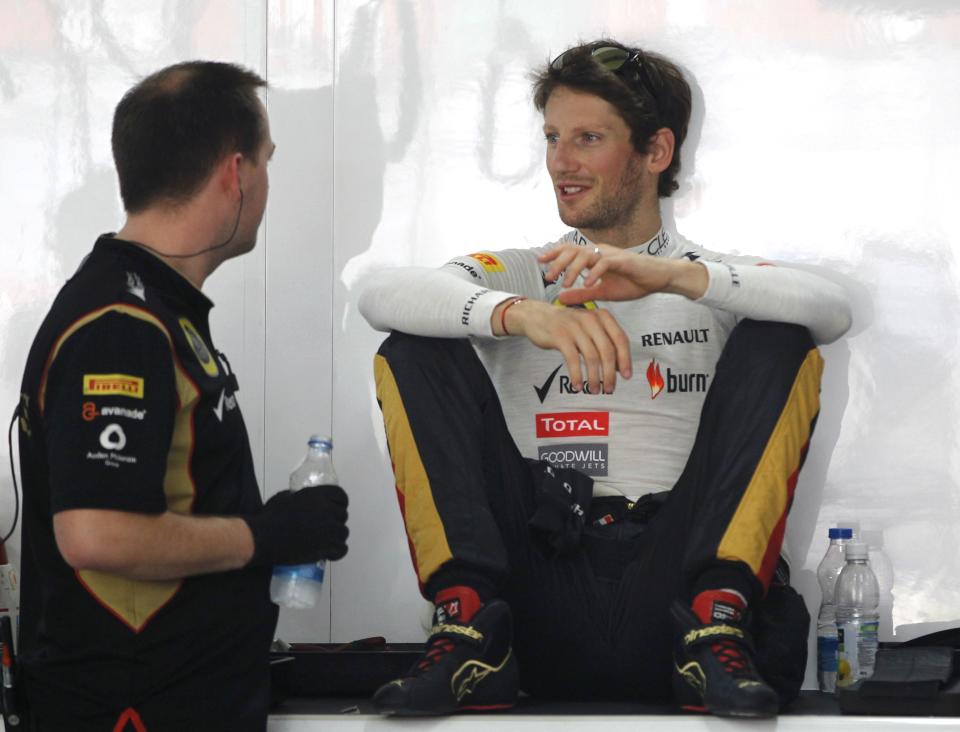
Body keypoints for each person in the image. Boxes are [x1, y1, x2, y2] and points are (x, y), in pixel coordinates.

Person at [358, 39, 852, 719]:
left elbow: (830, 309)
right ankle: (467, 623)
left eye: (588, 138)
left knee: (781, 338)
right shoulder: (526, 273)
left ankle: (718, 619)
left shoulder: (711, 279)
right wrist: (516, 313)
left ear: (656, 152)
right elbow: (379, 295)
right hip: (538, 594)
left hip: (673, 602)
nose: (562, 161)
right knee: (413, 343)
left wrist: (676, 275)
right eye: (554, 138)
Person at [15, 61, 349, 731]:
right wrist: (265, 536)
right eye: (265, 162)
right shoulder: (119, 326)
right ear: (235, 174)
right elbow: (93, 531)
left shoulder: (152, 308)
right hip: (133, 708)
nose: (265, 183)